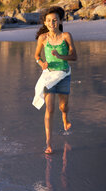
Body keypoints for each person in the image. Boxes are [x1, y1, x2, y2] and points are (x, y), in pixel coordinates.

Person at [34, 6, 77, 154]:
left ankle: (65, 117)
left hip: (64, 75)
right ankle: (48, 143)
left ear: (59, 21)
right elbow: (37, 56)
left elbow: (74, 57)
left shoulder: (66, 36)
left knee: (63, 107)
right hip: (49, 77)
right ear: (45, 23)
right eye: (49, 21)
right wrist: (42, 64)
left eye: (54, 20)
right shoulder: (42, 38)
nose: (52, 23)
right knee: (50, 109)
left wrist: (60, 56)